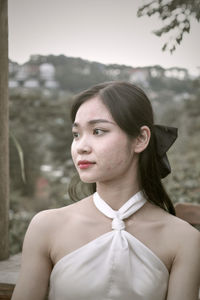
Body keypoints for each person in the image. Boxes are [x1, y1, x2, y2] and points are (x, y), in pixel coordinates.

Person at [12, 81, 200, 300]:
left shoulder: (184, 239)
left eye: (98, 131)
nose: (81, 146)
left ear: (141, 139)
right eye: (76, 134)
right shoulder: (46, 226)